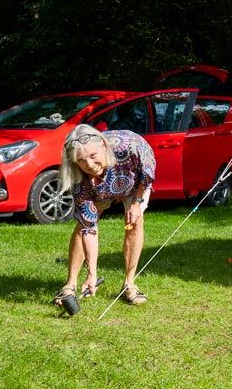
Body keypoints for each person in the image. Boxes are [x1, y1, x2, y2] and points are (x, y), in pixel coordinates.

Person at [52, 124, 156, 306]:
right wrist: (92, 274)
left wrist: (137, 203)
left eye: (93, 156)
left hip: (133, 181)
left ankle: (129, 284)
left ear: (103, 144)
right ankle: (70, 284)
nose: (90, 165)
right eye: (82, 160)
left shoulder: (130, 147)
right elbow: (89, 230)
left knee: (133, 223)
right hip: (99, 188)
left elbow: (147, 173)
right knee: (83, 226)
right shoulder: (80, 180)